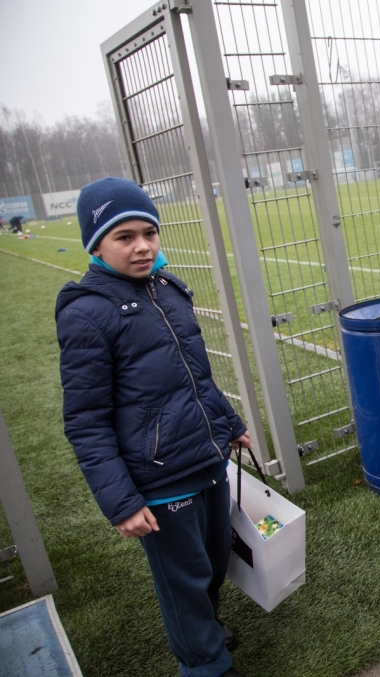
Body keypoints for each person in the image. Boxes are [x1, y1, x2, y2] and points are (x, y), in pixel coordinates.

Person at [55, 177, 248, 677]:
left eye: (149, 233)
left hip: (205, 460)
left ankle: (204, 628)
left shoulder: (167, 288)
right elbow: (85, 422)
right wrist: (122, 502)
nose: (141, 246)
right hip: (160, 481)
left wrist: (229, 424)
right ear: (96, 244)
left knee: (210, 561)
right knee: (182, 580)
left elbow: (195, 376)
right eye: (124, 237)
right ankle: (205, 663)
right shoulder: (87, 315)